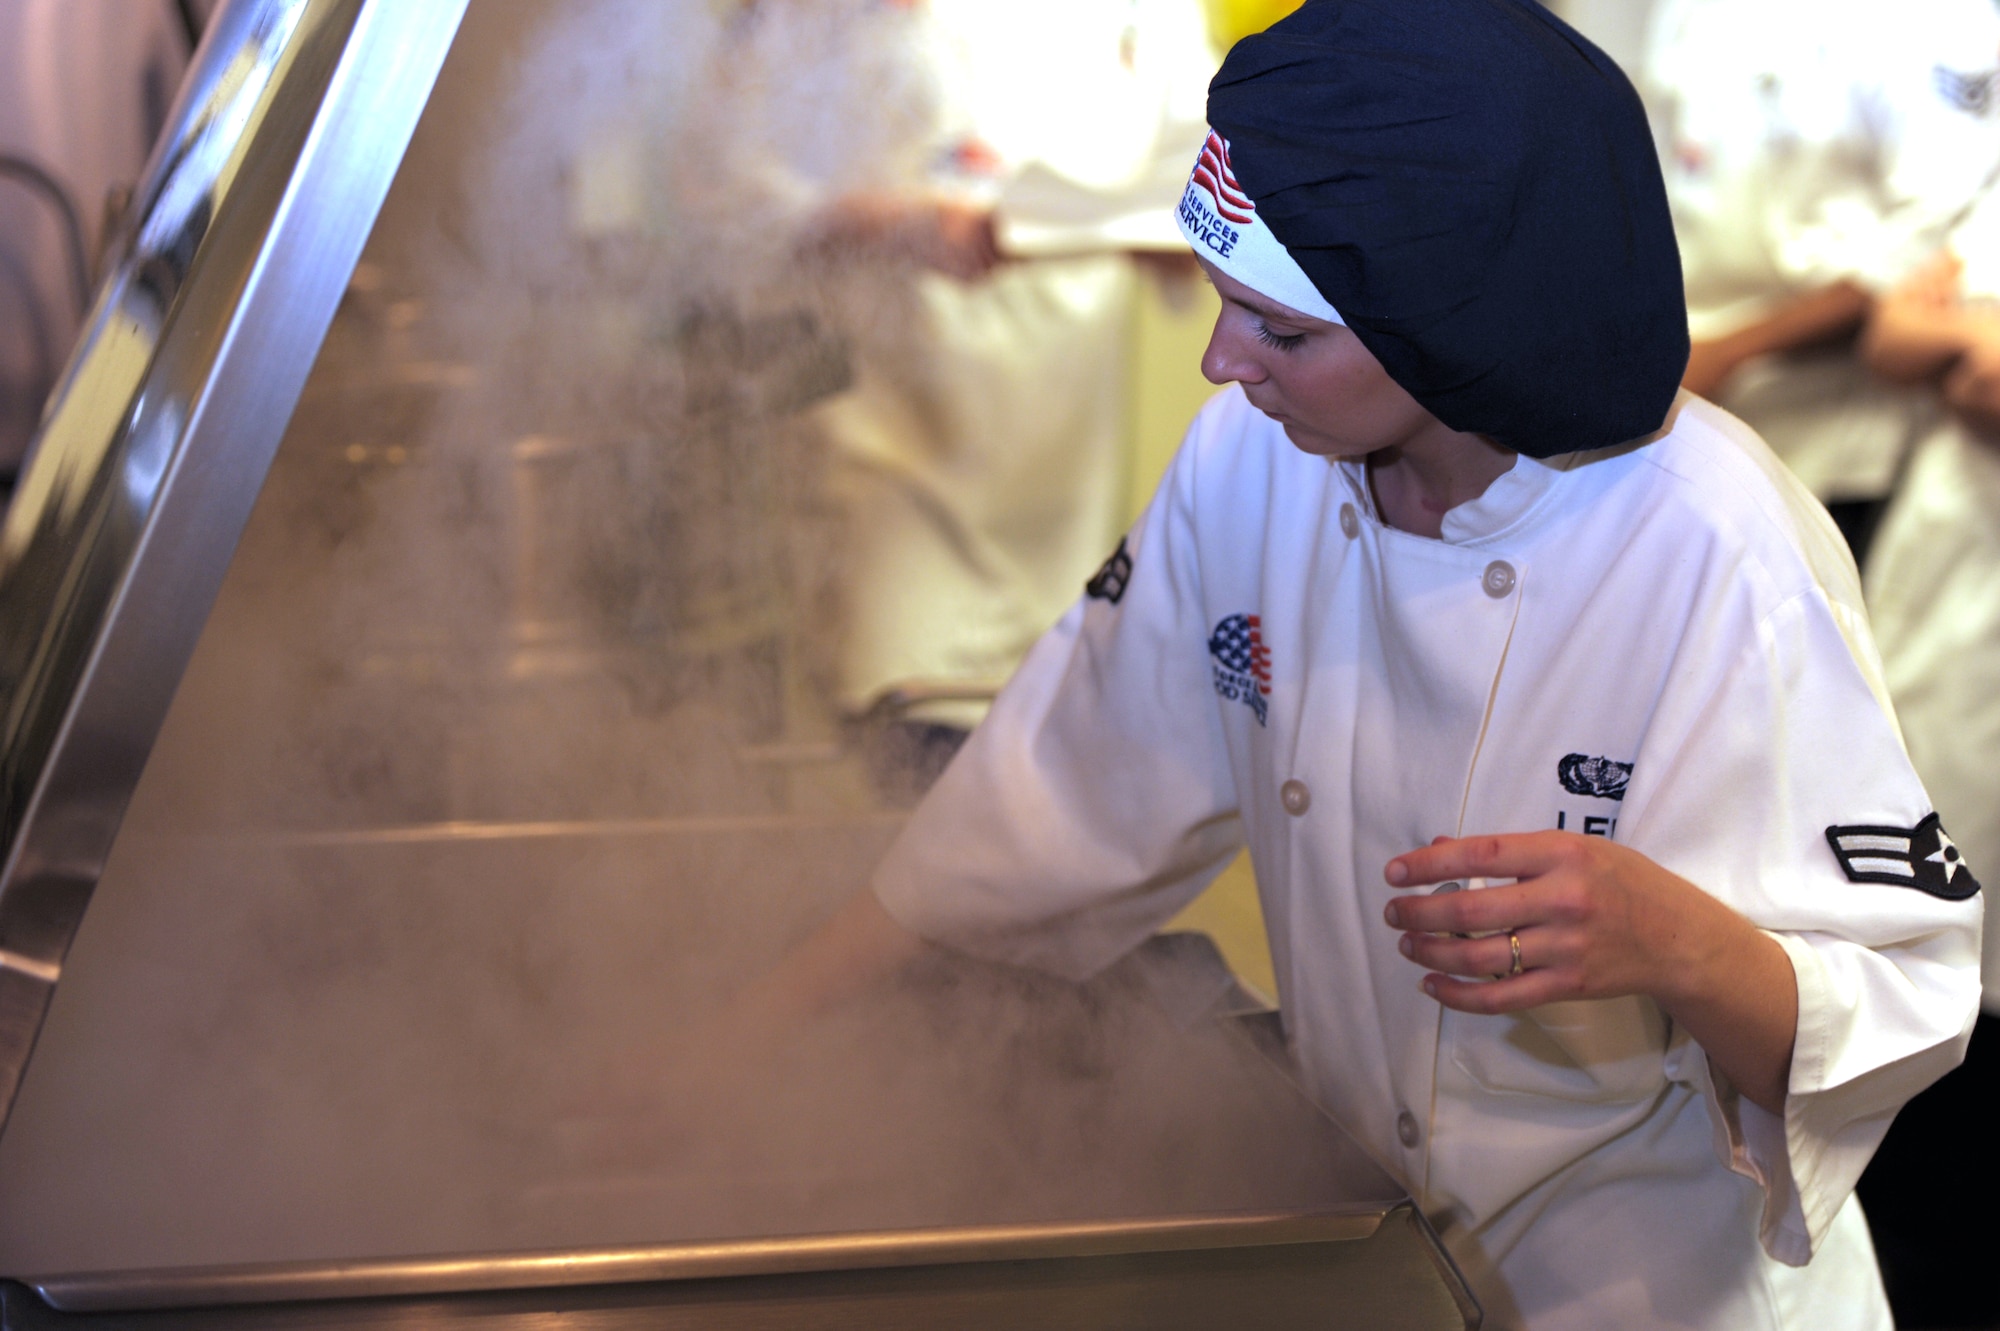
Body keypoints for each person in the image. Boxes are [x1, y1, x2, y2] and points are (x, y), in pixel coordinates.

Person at [736, 2, 1982, 1326]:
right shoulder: (1248, 463)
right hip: (1383, 1257)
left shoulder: (1706, 540)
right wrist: (745, 1038)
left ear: (1457, 320)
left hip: (1657, 1293)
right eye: (1227, 310)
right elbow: (1043, 801)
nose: (1224, 365)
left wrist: (1667, 937)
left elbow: (1897, 1000)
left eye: (1282, 332)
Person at [1642, 0, 2000, 564]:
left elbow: (1924, 243)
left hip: (1825, 439)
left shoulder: (1943, 21)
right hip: (1676, 407)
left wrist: (1729, 353)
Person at [1850, 222, 2000, 1329]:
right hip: (1941, 630)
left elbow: (1981, 372)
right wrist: (1960, 338)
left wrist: (1966, 333)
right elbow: (1892, 333)